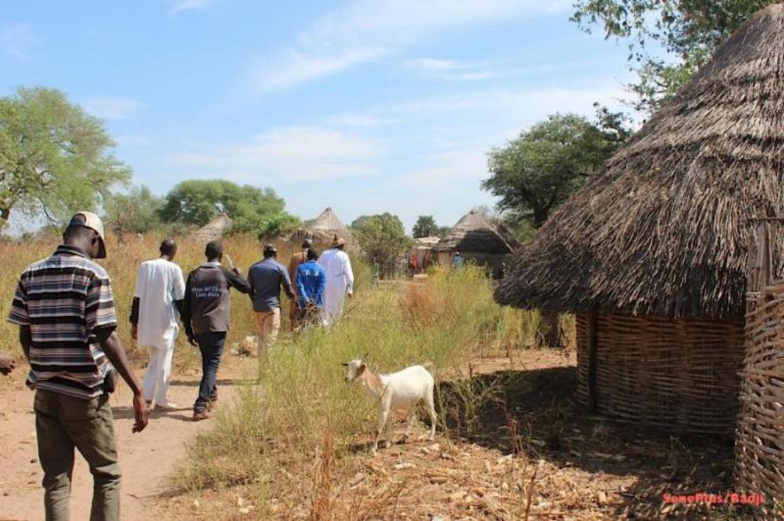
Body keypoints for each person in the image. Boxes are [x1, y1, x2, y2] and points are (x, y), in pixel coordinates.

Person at [7, 210, 148, 521]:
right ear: (94, 238)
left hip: (45, 392)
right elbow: (105, 334)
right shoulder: (93, 274)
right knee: (107, 474)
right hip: (84, 394)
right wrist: (138, 389)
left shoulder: (30, 274)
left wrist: (43, 369)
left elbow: (24, 333)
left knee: (56, 480)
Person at [182, 240, 250, 421]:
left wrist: (189, 330)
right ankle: (200, 406)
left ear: (206, 254)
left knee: (208, 362)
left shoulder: (194, 274)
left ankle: (211, 396)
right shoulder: (224, 272)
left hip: (199, 326)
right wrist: (239, 274)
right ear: (221, 255)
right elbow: (246, 288)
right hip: (217, 326)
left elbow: (186, 305)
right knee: (211, 366)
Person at [130, 239, 186, 410]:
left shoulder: (145, 266)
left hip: (147, 321)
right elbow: (180, 298)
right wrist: (186, 321)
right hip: (166, 321)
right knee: (164, 361)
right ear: (173, 252)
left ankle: (147, 397)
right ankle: (161, 399)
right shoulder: (174, 269)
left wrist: (134, 322)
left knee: (154, 359)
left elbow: (137, 297)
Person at [248, 244, 295, 351]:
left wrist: (255, 300)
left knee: (261, 340)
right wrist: (295, 299)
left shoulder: (254, 268)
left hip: (258, 309)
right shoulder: (280, 267)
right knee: (269, 342)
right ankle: (267, 368)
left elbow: (249, 289)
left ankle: (261, 367)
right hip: (272, 309)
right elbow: (288, 289)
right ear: (275, 254)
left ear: (264, 254)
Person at [318, 235, 355, 327]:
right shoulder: (343, 255)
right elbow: (349, 273)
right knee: (338, 305)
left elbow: (317, 267)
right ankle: (334, 325)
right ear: (341, 246)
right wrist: (350, 289)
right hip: (339, 282)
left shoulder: (324, 254)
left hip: (325, 282)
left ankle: (325, 325)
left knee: (325, 304)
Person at [295, 247, 327, 328]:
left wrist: (306, 299)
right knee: (315, 325)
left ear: (307, 256)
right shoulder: (322, 270)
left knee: (303, 325)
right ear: (317, 257)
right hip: (316, 303)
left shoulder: (300, 268)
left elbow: (299, 285)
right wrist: (314, 301)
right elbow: (321, 288)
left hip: (303, 303)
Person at [287, 238, 313, 332]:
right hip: (308, 290)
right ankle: (303, 331)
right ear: (311, 247)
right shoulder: (312, 257)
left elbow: (289, 273)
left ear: (302, 246)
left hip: (295, 289)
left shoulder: (294, 256)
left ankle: (293, 330)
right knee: (307, 311)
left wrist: (288, 287)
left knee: (294, 312)